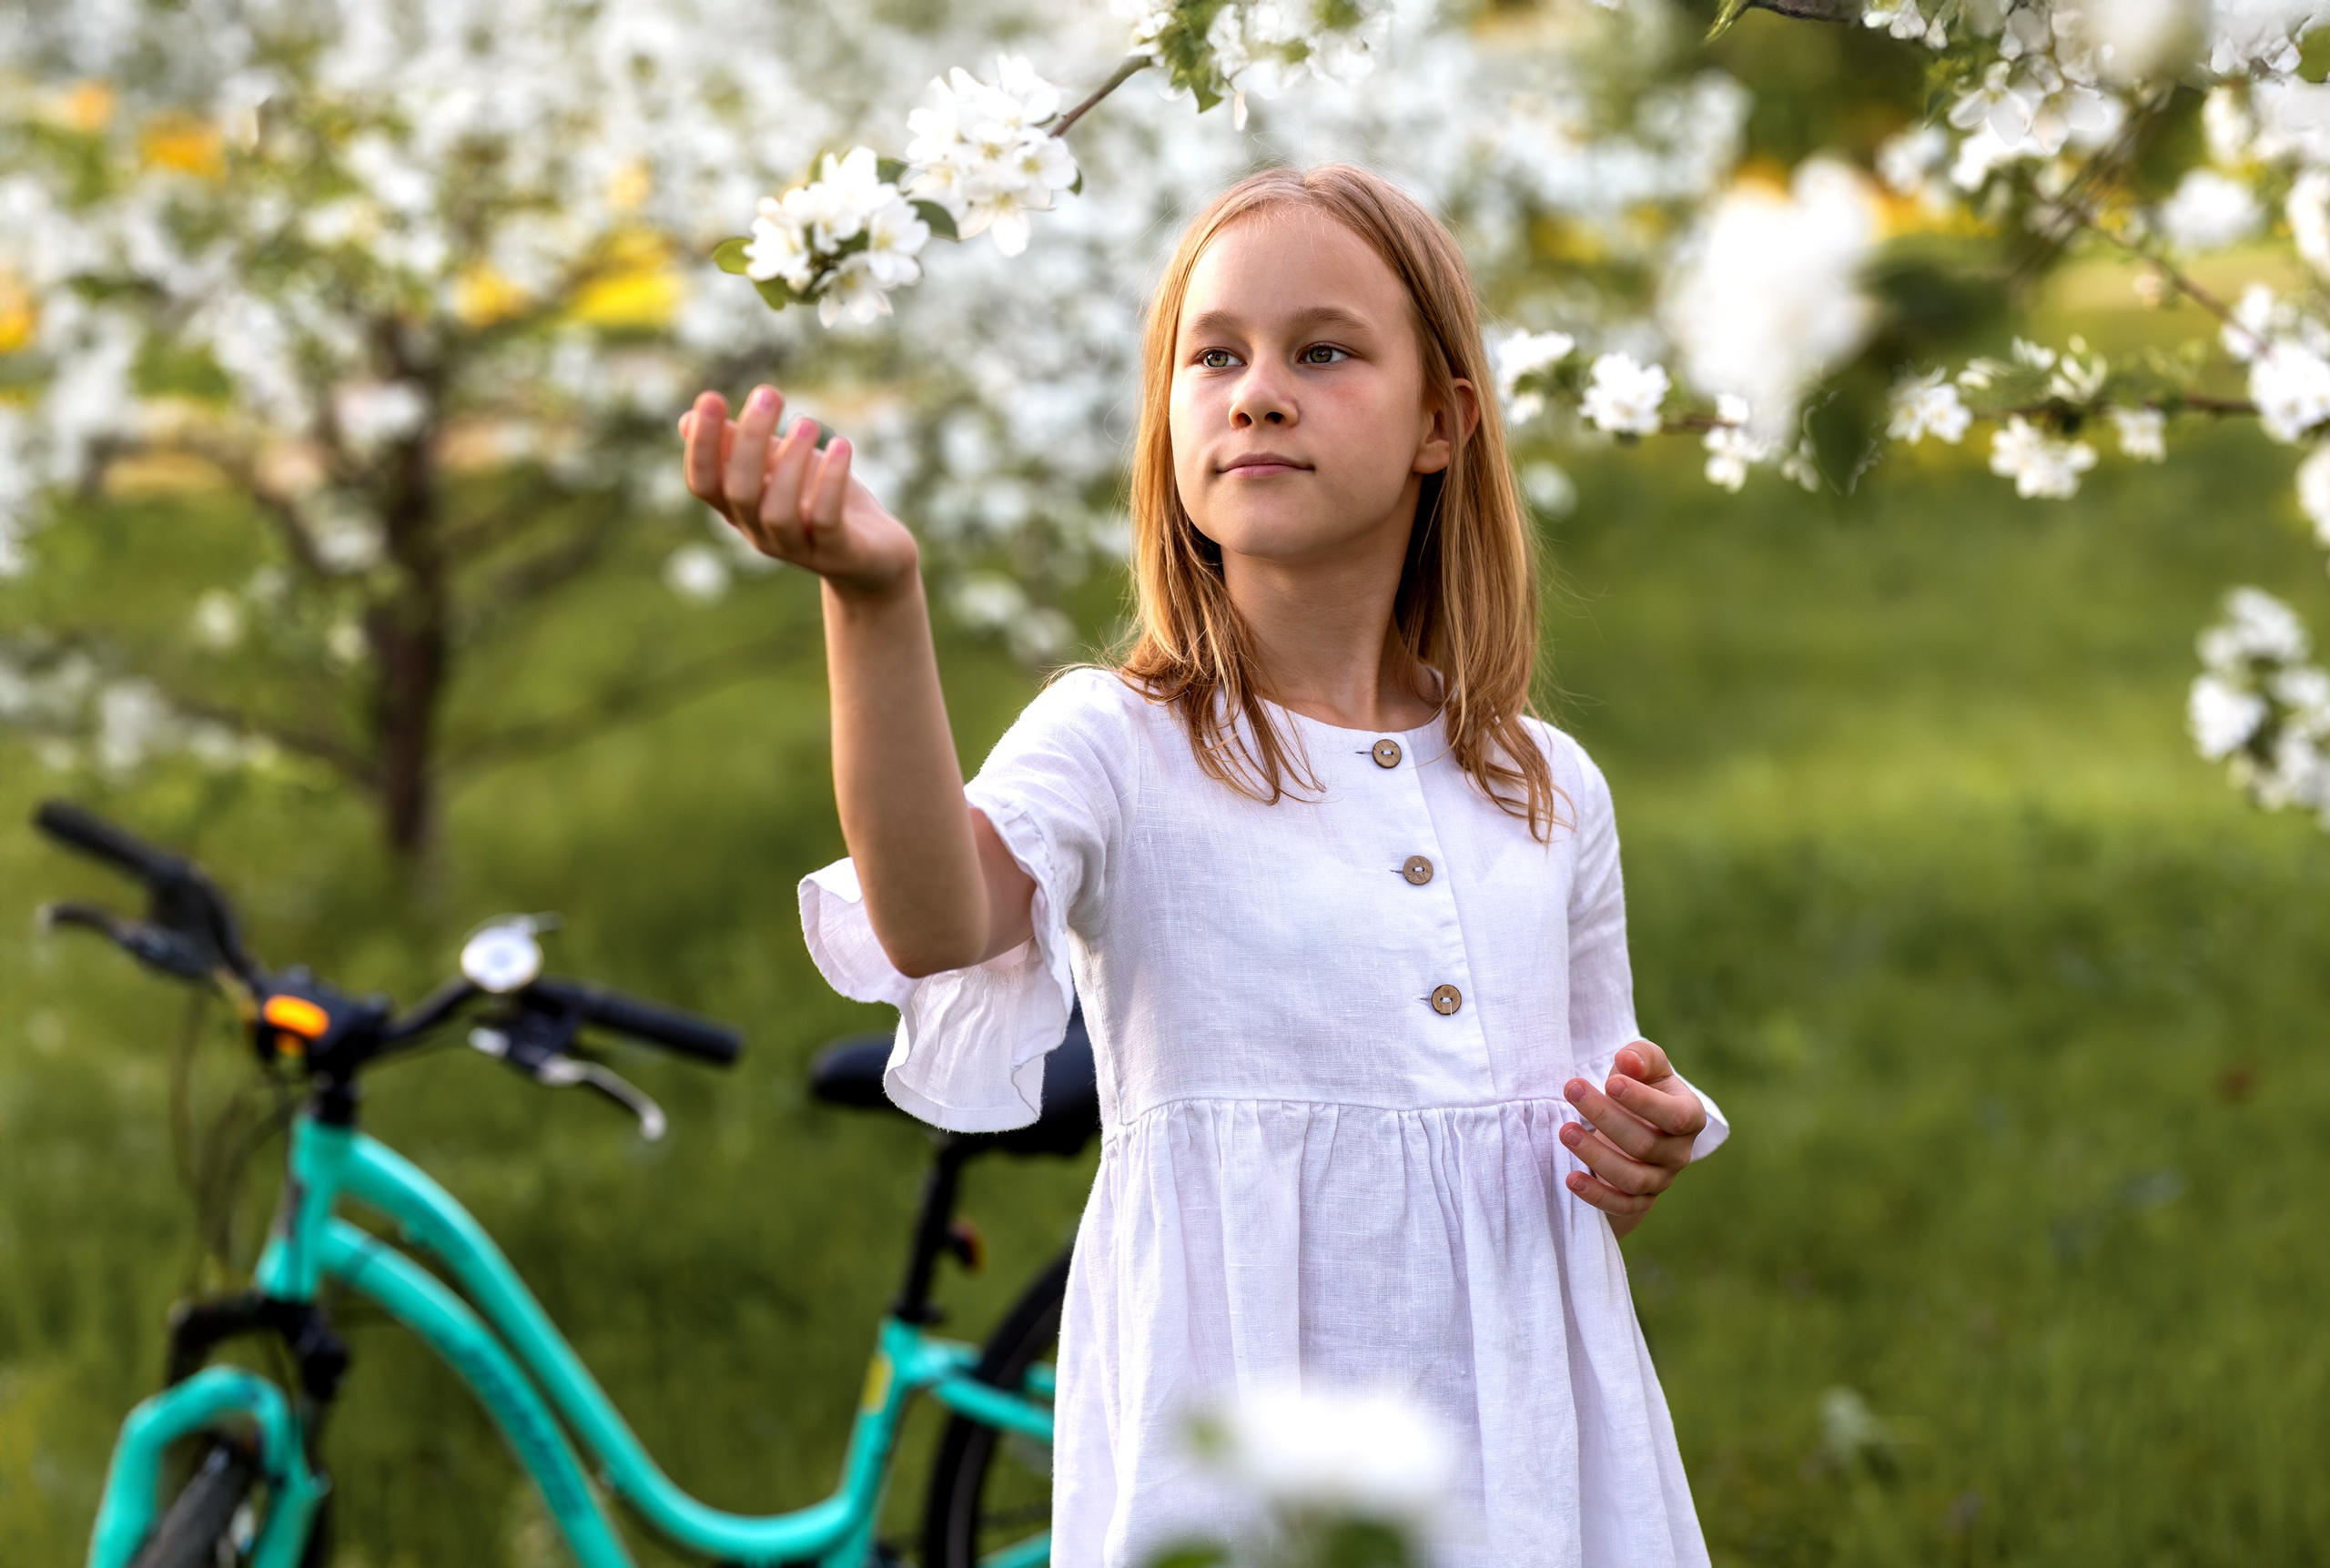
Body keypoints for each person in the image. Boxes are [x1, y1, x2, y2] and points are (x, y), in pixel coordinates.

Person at [678, 162, 1729, 1568]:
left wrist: (1638, 1135)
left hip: (1523, 1448)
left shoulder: (1542, 785)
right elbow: (932, 922)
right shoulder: (1121, 743)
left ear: (1442, 421)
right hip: (1238, 1433)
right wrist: (877, 604)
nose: (1259, 391)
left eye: (1324, 351)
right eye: (1214, 354)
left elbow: (1589, 1115)